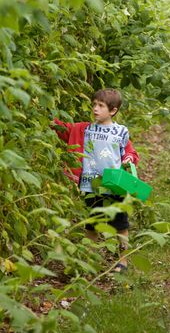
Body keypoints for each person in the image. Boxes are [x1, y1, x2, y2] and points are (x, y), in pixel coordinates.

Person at [53, 88, 139, 272]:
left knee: (120, 225)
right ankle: (87, 261)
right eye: (94, 105)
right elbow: (63, 129)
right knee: (92, 225)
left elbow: (130, 151)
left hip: (115, 185)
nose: (95, 109)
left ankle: (123, 261)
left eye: (101, 106)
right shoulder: (84, 129)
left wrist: (128, 158)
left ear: (113, 110)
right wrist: (48, 118)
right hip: (91, 185)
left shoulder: (120, 131)